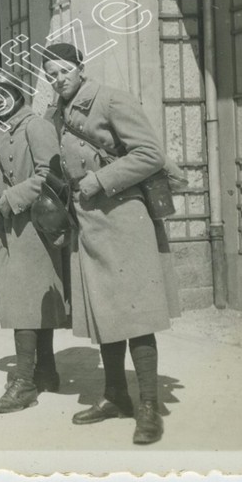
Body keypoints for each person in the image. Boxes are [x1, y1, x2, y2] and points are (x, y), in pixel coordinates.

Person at [44, 42, 180, 445]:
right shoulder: (58, 113)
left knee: (135, 315)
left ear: (80, 67)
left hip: (123, 218)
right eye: (50, 73)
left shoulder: (111, 100)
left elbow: (151, 154)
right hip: (88, 222)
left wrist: (100, 180)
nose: (57, 78)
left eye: (63, 70)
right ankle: (116, 396)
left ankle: (149, 408)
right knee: (106, 313)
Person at [0, 70, 68, 414]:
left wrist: (9, 199)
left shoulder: (36, 126)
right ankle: (46, 371)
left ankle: (25, 381)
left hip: (34, 224)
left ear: (18, 93)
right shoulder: (3, 130)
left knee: (28, 301)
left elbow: (51, 175)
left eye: (3, 93)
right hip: (8, 227)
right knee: (26, 299)